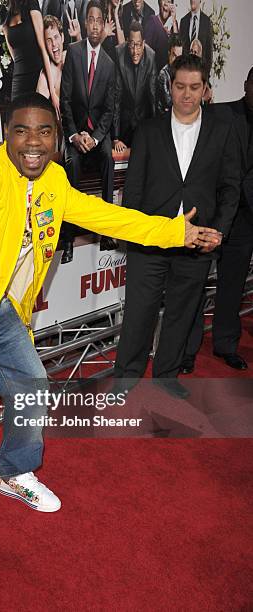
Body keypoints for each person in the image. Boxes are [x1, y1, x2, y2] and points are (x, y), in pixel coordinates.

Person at [0, 92, 219, 534]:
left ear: (57, 139)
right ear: (4, 134)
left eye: (44, 131)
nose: (33, 142)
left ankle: (14, 473)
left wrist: (172, 231)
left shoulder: (54, 180)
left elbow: (108, 217)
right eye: (21, 131)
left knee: (31, 388)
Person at [113, 54, 240, 399]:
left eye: (194, 87)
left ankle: (166, 374)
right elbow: (134, 189)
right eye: (180, 86)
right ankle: (126, 375)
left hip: (197, 240)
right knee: (140, 311)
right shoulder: (149, 129)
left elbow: (231, 186)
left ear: (205, 89)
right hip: (151, 238)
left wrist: (220, 232)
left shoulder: (222, 130)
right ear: (170, 87)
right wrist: (135, 232)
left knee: (182, 312)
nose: (186, 94)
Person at [181, 67, 253, 374]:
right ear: (247, 84)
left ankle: (225, 345)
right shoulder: (221, 114)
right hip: (210, 218)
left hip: (245, 221)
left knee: (232, 287)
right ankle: (185, 352)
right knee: (194, 287)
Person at [60, 0, 117, 263]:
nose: (95, 25)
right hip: (76, 132)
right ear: (85, 23)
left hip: (97, 136)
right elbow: (65, 101)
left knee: (108, 158)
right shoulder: (72, 52)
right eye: (90, 19)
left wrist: (94, 139)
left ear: (105, 25)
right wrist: (74, 135)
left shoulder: (109, 62)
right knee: (71, 163)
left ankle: (105, 232)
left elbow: (109, 109)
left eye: (99, 20)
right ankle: (69, 238)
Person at [3, 0, 59, 113]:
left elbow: (43, 48)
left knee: (38, 120)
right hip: (18, 80)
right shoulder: (4, 12)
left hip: (36, 75)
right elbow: (13, 54)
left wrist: (52, 91)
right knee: (19, 121)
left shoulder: (31, 3)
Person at [113, 21, 156, 153]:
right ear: (127, 42)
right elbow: (116, 98)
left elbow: (153, 97)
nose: (135, 51)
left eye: (138, 45)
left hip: (143, 122)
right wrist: (115, 137)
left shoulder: (151, 57)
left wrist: (155, 133)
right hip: (124, 124)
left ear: (143, 43)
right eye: (131, 45)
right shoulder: (119, 54)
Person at [180, 0, 213, 79]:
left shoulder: (207, 22)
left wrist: (204, 77)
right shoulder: (184, 21)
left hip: (201, 75)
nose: (192, 0)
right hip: (185, 74)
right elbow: (181, 50)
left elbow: (209, 53)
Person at [144, 0, 179, 73]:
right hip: (154, 74)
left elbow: (177, 50)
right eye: (164, 0)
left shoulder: (174, 25)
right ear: (159, 3)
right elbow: (146, 54)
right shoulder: (152, 21)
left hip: (170, 75)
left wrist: (174, 20)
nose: (166, 4)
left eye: (169, 1)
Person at [37, 15, 65, 100]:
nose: (54, 44)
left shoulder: (70, 56)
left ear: (62, 37)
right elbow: (40, 111)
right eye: (49, 40)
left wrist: (78, 35)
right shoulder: (44, 78)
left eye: (56, 37)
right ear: (45, 46)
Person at [156, 33, 183, 115]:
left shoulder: (181, 73)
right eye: (174, 56)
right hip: (163, 119)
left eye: (179, 57)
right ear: (169, 54)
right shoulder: (163, 74)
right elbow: (169, 103)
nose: (177, 60)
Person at [189, 38, 213, 104]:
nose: (192, 54)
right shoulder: (184, 71)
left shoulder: (204, 74)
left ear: (200, 56)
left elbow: (208, 96)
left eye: (195, 52)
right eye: (191, 51)